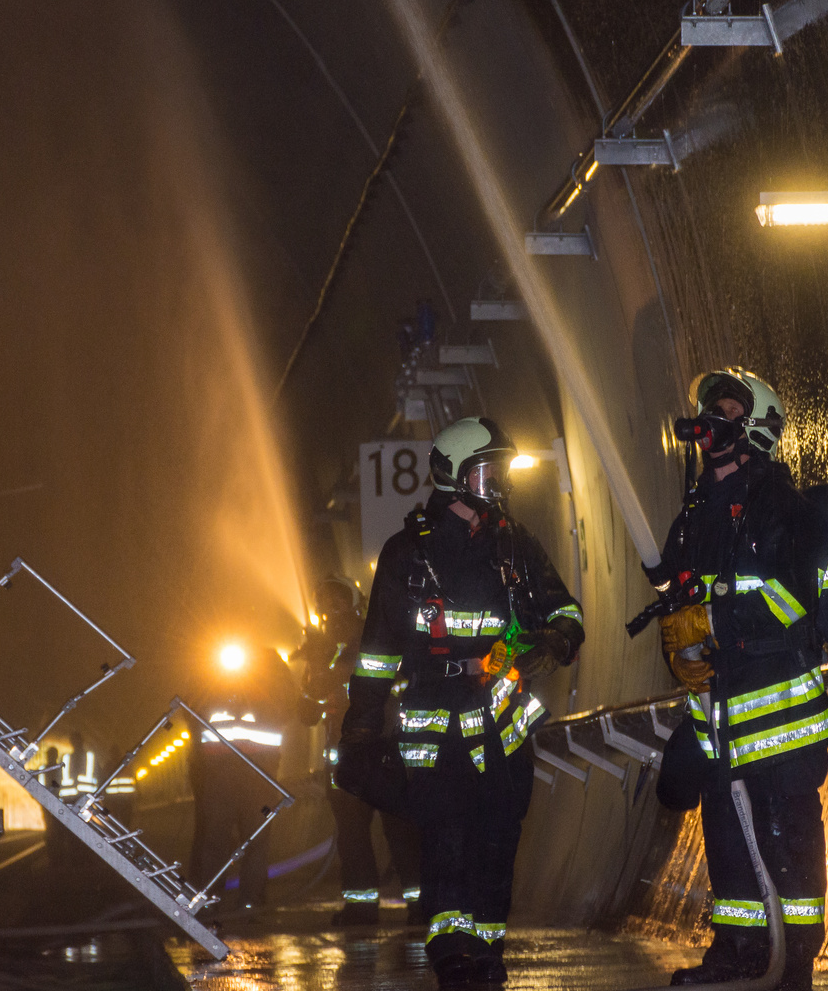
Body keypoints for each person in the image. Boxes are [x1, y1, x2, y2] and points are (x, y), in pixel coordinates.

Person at [338, 417, 583, 989]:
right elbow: (377, 654)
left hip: (501, 718)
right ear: (454, 475)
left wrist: (553, 641)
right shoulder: (406, 555)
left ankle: (489, 949)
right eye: (486, 470)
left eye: (499, 471)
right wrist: (360, 728)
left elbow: (565, 611)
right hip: (434, 719)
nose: (496, 482)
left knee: (499, 833)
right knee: (444, 832)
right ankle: (451, 954)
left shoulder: (516, 545)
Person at [647, 368, 828, 991]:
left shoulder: (781, 508)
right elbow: (673, 610)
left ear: (757, 430)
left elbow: (794, 605)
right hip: (721, 715)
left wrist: (712, 618)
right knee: (725, 832)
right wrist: (681, 651)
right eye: (710, 409)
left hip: (781, 715)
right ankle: (738, 951)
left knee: (787, 832)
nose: (713, 421)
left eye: (729, 409)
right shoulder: (692, 517)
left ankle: (794, 962)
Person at [300, 576, 423, 926]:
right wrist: (314, 682)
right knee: (352, 833)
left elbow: (399, 686)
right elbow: (307, 711)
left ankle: (420, 903)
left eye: (334, 604)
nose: (329, 612)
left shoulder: (377, 638)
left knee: (399, 828)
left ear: (353, 605)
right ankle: (362, 906)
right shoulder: (323, 648)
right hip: (346, 752)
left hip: (383, 746)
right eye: (324, 605)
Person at [188, 637, 302, 915]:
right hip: (231, 776)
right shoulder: (213, 680)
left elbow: (289, 708)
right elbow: (192, 711)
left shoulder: (272, 681)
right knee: (219, 839)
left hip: (251, 777)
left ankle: (246, 902)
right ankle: (214, 901)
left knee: (252, 839)